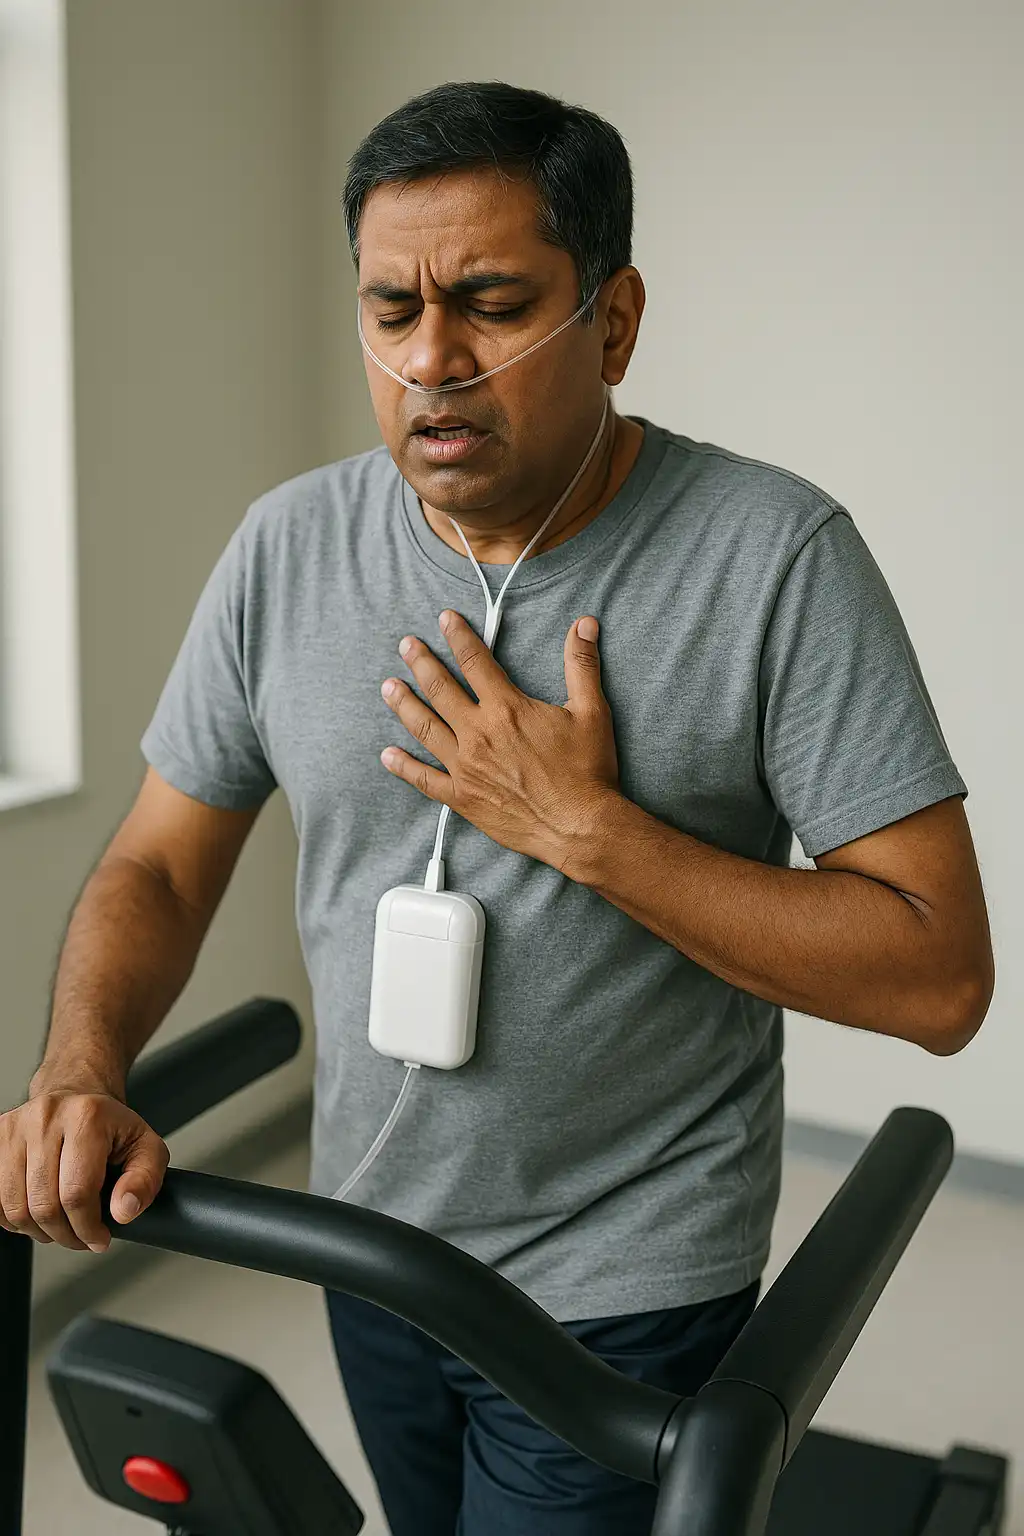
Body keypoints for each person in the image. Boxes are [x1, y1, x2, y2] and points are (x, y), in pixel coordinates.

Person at [0, 81, 993, 1536]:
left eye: (487, 302)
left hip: (623, 1292)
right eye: (390, 311)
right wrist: (78, 1067)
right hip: (369, 1250)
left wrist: (591, 832)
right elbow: (157, 859)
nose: (431, 362)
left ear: (615, 318)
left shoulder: (776, 558)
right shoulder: (289, 548)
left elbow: (939, 974)